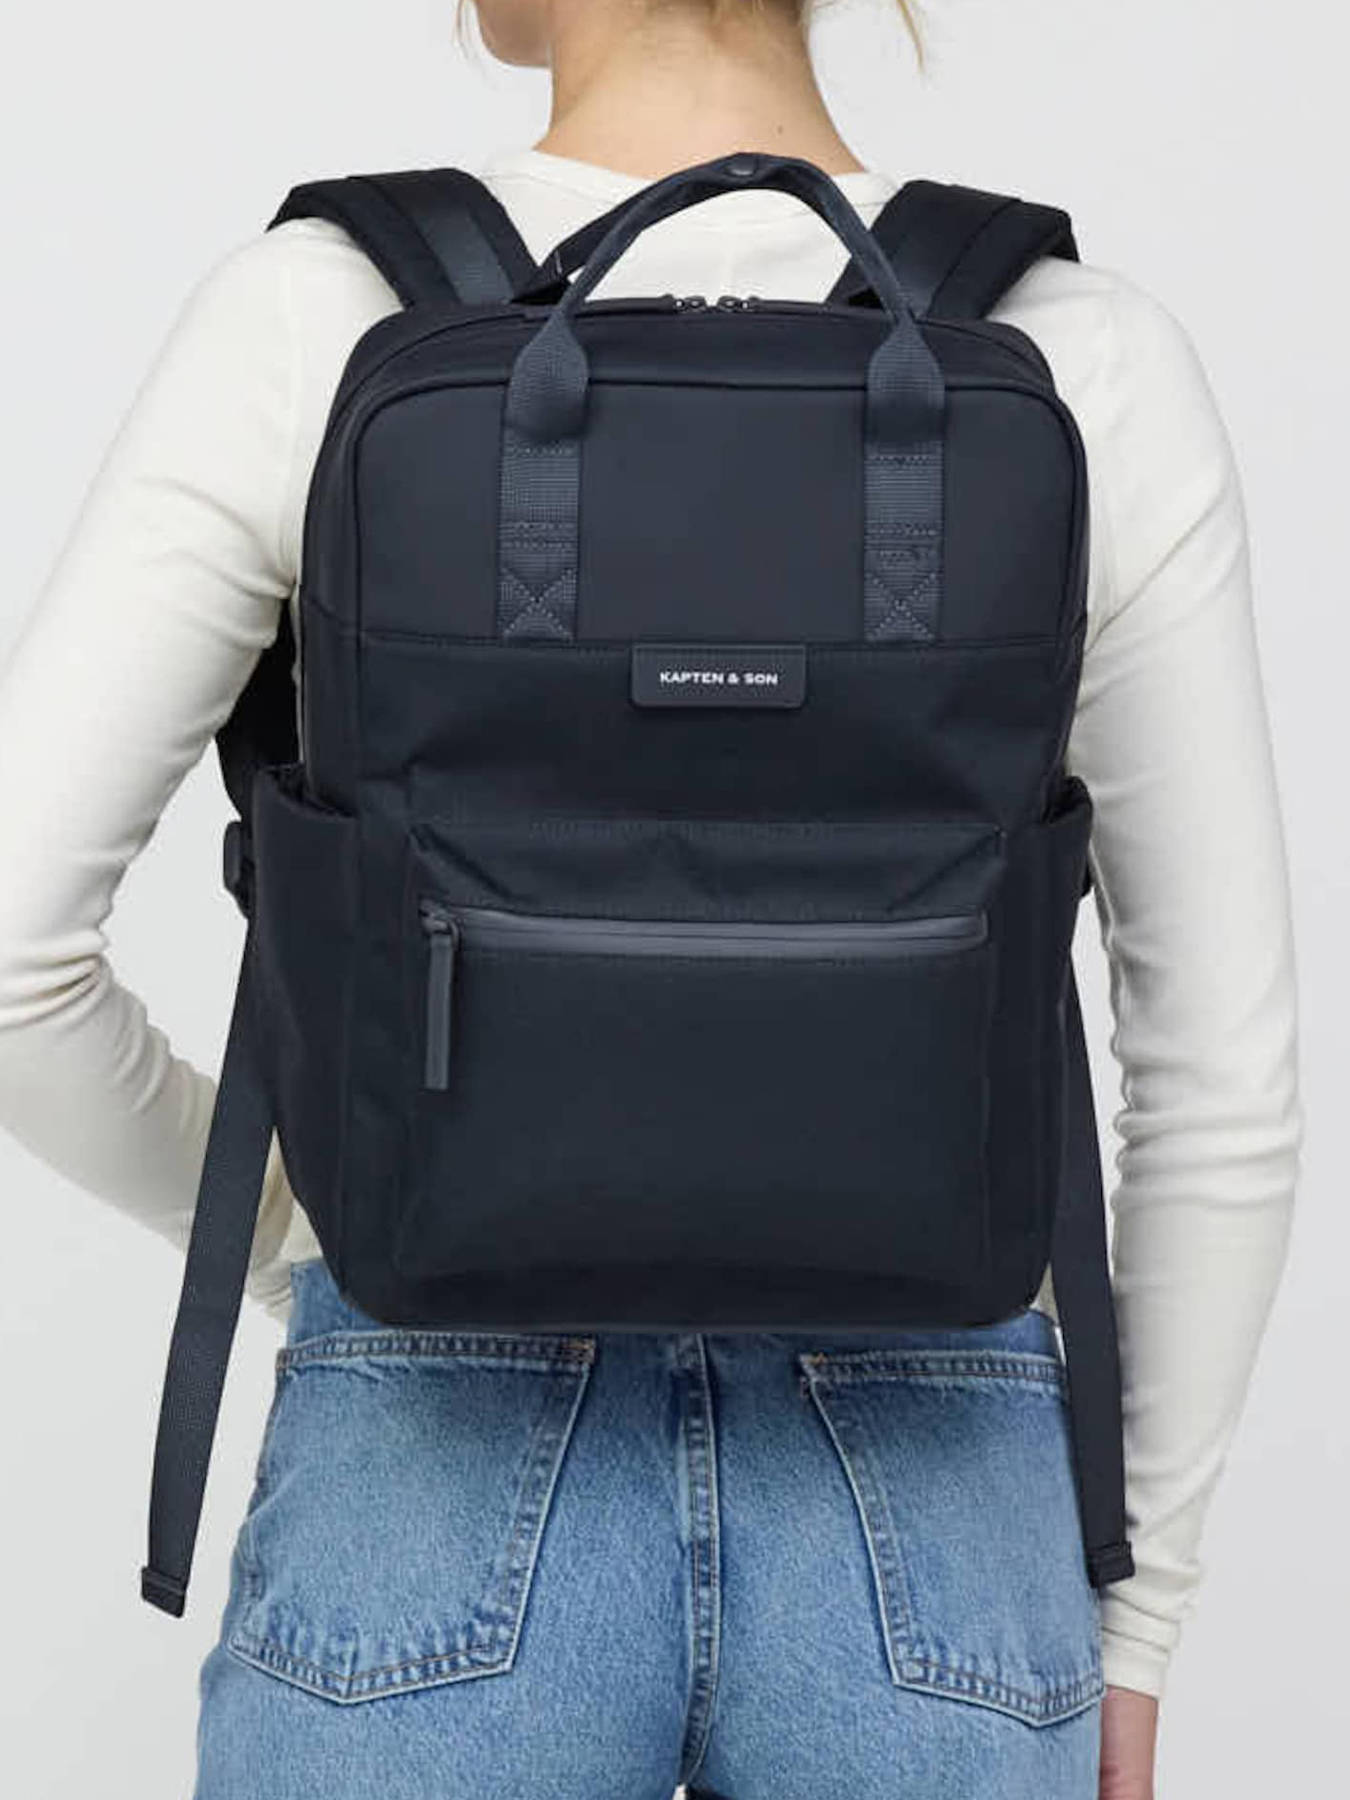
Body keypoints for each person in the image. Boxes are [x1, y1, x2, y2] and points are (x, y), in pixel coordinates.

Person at [0, 2, 1301, 1797]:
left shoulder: (322, 315)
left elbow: (12, 958)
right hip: (935, 1515)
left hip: (429, 1477)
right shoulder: (1085, 353)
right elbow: (1219, 1083)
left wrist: (318, 1231)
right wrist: (1135, 1625)